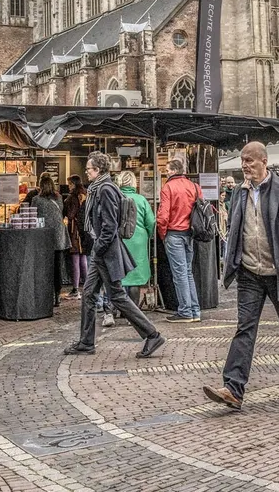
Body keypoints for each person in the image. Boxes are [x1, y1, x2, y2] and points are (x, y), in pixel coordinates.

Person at [203, 142, 279, 411]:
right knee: (245, 328)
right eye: (242, 161)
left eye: (250, 161)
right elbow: (237, 227)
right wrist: (232, 262)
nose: (245, 166)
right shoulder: (239, 192)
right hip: (249, 270)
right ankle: (233, 389)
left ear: (264, 161)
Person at [63, 152, 165, 358]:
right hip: (103, 251)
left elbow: (109, 225)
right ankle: (86, 342)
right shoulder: (99, 188)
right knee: (91, 295)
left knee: (116, 296)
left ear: (98, 170)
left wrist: (98, 248)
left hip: (105, 252)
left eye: (89, 169)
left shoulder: (106, 189)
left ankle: (152, 334)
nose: (87, 172)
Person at [158, 157, 202, 323]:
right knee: (188, 272)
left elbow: (163, 216)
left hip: (174, 233)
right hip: (190, 233)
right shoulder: (194, 186)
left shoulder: (168, 187)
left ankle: (185, 311)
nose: (166, 173)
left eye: (168, 170)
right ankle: (195, 310)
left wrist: (163, 234)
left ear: (174, 171)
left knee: (179, 274)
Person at [117, 170, 155, 308]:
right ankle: (134, 312)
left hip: (120, 240)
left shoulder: (116, 198)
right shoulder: (141, 199)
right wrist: (148, 235)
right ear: (134, 183)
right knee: (135, 276)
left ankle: (120, 309)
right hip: (138, 241)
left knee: (120, 276)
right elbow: (151, 221)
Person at [36, 175, 68, 307]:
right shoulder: (59, 198)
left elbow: (34, 216)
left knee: (44, 268)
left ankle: (45, 295)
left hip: (43, 238)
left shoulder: (36, 200)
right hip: (58, 237)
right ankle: (57, 295)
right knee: (57, 268)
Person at [64, 175, 88, 298]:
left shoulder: (72, 198)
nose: (68, 186)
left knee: (75, 260)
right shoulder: (85, 195)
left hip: (75, 232)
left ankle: (75, 289)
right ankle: (88, 287)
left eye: (69, 184)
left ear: (73, 184)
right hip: (84, 231)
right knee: (83, 259)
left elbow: (71, 214)